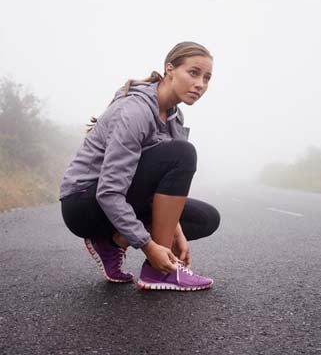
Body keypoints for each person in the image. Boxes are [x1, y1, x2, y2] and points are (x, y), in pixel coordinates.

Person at [60, 41, 220, 291]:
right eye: (193, 72)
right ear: (170, 69)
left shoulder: (175, 116)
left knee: (206, 218)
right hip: (83, 203)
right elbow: (109, 191)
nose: (201, 84)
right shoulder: (134, 111)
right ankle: (158, 272)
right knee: (183, 153)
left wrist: (174, 231)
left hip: (120, 198)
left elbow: (166, 186)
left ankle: (113, 242)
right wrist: (150, 245)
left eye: (207, 78)